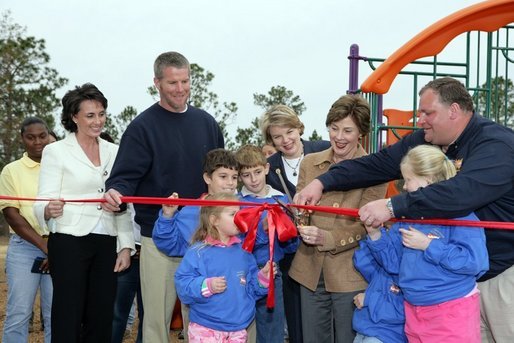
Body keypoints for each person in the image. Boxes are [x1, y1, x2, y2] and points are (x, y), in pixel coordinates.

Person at [294, 77, 514, 342]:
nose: (420, 120)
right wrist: (322, 181)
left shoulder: (496, 145)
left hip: (499, 276)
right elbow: (376, 165)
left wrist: (391, 206)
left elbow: (460, 194)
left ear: (454, 111)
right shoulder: (427, 140)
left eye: (428, 113)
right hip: (443, 288)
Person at [102, 51, 224, 343]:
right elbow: (123, 177)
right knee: (156, 320)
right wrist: (115, 191)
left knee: (205, 319)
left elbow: (223, 171)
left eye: (185, 81)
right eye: (172, 83)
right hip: (159, 238)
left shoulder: (207, 123)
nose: (180, 89)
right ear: (156, 82)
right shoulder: (142, 128)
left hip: (204, 237)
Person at [33, 83, 135, 343]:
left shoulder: (116, 150)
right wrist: (47, 209)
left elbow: (124, 202)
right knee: (68, 313)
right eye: (90, 115)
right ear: (73, 117)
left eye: (101, 114)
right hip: (69, 240)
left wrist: (125, 245)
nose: (98, 121)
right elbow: (42, 198)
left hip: (106, 240)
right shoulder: (55, 151)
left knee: (101, 315)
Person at [288, 94, 387, 342]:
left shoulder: (376, 169)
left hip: (351, 272)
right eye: (334, 128)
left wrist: (328, 238)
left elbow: (368, 225)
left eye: (347, 130)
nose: (339, 137)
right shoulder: (310, 163)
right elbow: (300, 212)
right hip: (309, 270)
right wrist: (298, 215)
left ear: (361, 133)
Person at [365, 144, 488, 342]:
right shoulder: (409, 216)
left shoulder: (462, 214)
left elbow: (475, 263)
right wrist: (375, 235)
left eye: (408, 180)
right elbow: (393, 264)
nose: (404, 187)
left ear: (428, 181)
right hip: (414, 311)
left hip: (451, 311)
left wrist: (429, 246)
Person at [260, 104, 330, 343]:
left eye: (289, 132)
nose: (285, 140)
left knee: (326, 315)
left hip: (326, 245)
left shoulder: (324, 150)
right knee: (296, 315)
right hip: (291, 253)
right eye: (277, 137)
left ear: (299, 127)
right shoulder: (269, 169)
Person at [152, 148, 239, 340]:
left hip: (237, 300)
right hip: (200, 301)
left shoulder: (245, 208)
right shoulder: (191, 211)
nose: (230, 183)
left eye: (234, 177)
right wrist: (167, 216)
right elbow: (170, 245)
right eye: (223, 176)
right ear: (207, 178)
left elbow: (252, 247)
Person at [174, 192, 273, 343]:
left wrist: (263, 278)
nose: (240, 217)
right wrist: (207, 286)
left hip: (238, 329)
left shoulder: (244, 251)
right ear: (214, 220)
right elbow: (183, 286)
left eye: (240, 212)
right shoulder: (198, 252)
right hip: (205, 328)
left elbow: (251, 291)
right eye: (233, 213)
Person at [235, 144, 298, 343]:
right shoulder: (235, 202)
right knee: (238, 328)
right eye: (246, 175)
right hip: (240, 274)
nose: (253, 180)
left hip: (272, 273)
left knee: (272, 330)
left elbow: (290, 248)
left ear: (267, 169)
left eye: (257, 172)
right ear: (239, 176)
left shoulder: (281, 200)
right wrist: (262, 231)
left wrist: (288, 232)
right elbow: (236, 242)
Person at [0, 117, 53, 343]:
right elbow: (12, 215)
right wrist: (46, 247)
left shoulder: (61, 167)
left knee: (57, 315)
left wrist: (56, 247)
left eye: (42, 136)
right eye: (30, 137)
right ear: (22, 139)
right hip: (25, 249)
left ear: (49, 135)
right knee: (19, 313)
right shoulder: (11, 171)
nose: (37, 142)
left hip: (61, 245)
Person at [352, 238, 406, 343]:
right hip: (363, 331)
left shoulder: (408, 276)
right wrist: (372, 236)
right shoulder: (383, 269)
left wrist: (368, 300)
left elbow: (401, 311)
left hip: (386, 336)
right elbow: (362, 262)